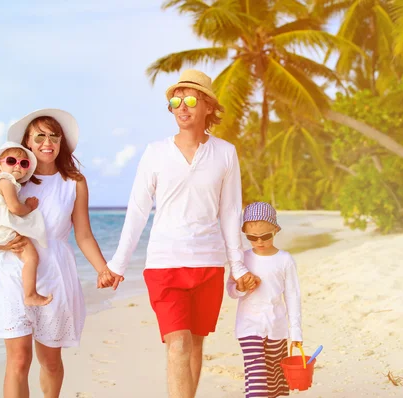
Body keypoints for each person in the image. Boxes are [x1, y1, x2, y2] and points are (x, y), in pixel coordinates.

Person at [103, 69, 260, 398]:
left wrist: (239, 265)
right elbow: (137, 209)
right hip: (164, 263)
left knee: (196, 344)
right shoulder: (155, 152)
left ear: (207, 107)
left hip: (208, 263)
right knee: (178, 345)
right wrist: (118, 264)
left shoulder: (225, 153)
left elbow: (230, 212)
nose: (182, 107)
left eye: (190, 100)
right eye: (175, 101)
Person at [0, 109, 114, 398]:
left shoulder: (74, 182)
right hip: (11, 272)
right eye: (40, 136)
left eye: (54, 136)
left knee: (50, 361)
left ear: (61, 143)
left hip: (54, 274)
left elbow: (83, 234)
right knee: (19, 359)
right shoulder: (13, 178)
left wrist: (103, 269)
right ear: (27, 142)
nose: (47, 142)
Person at [227, 202, 302, 398]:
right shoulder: (241, 260)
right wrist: (241, 288)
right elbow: (231, 291)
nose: (259, 241)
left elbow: (293, 296)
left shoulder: (285, 260)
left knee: (275, 381)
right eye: (252, 237)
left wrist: (296, 333)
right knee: (257, 378)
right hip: (248, 327)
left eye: (265, 236)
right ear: (244, 234)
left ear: (275, 229)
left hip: (276, 327)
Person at [0, 141, 52, 307]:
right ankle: (30, 294)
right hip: (1, 231)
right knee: (31, 257)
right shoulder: (7, 181)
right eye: (11, 161)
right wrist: (29, 207)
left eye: (23, 163)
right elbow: (15, 208)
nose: (17, 166)